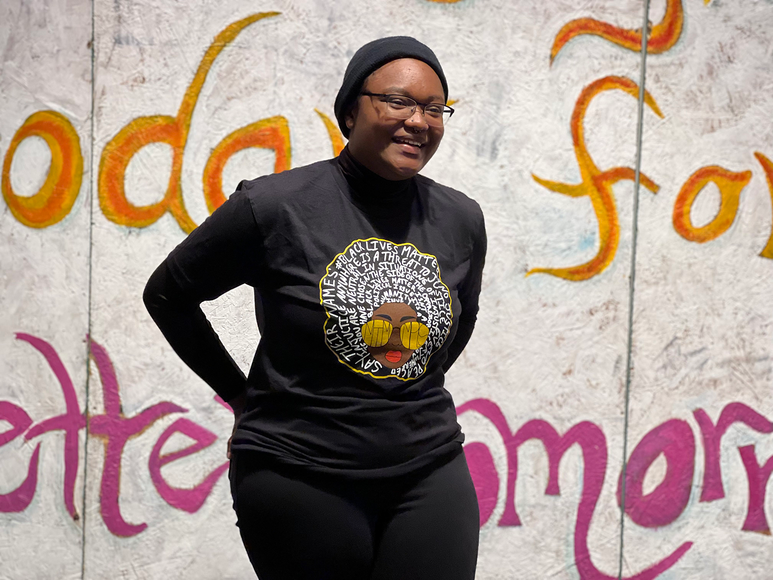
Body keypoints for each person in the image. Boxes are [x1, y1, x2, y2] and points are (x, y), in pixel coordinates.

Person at [143, 36, 486, 580]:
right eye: (398, 102)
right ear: (351, 110)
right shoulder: (273, 206)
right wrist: (240, 395)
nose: (419, 121)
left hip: (428, 468)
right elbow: (167, 295)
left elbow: (456, 325)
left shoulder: (460, 219)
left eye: (433, 108)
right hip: (298, 472)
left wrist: (399, 386)